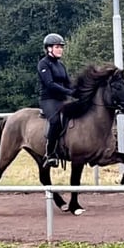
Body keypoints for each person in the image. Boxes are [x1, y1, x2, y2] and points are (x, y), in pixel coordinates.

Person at [37, 33, 75, 168]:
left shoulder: (61, 65)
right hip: (49, 100)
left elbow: (68, 83)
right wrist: (68, 92)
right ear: (49, 49)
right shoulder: (43, 64)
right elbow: (50, 84)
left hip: (62, 99)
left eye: (61, 47)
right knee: (55, 121)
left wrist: (79, 92)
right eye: (57, 47)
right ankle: (50, 153)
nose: (60, 49)